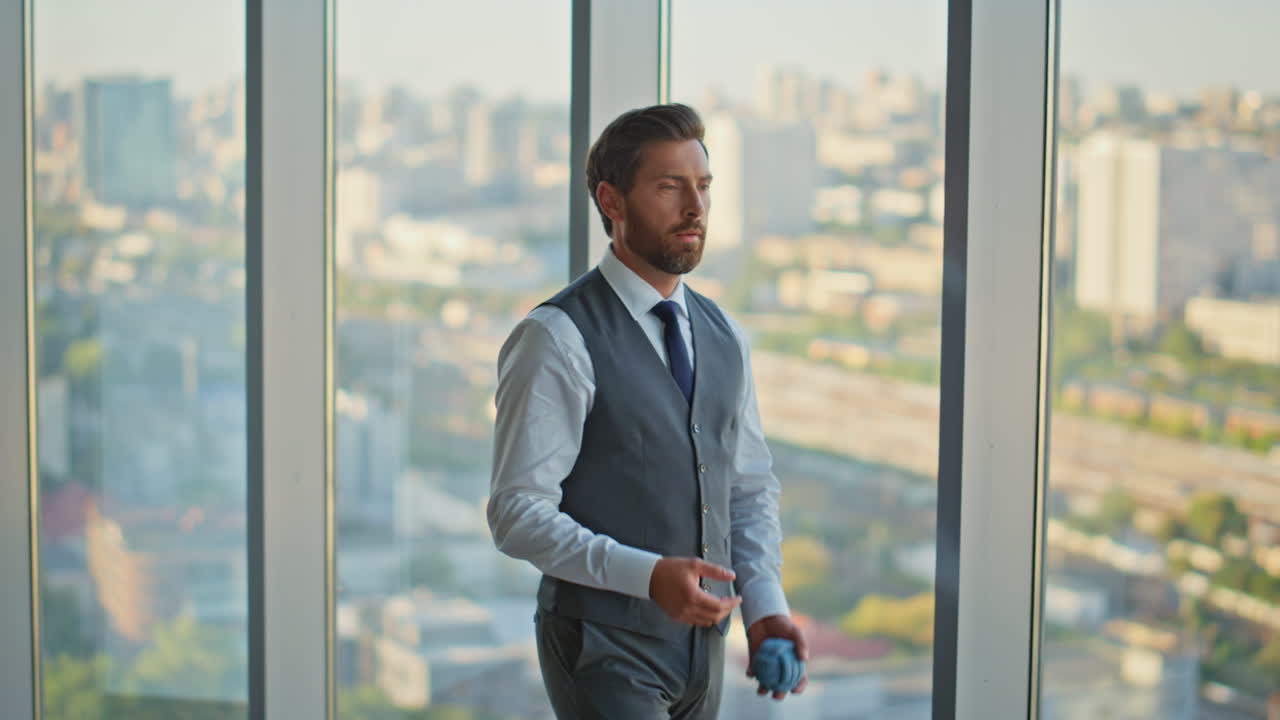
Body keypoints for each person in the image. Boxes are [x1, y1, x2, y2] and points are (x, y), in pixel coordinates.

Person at [488, 103, 807, 719]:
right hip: (602, 650)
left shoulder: (724, 333)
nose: (695, 208)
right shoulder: (556, 338)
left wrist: (766, 606)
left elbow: (746, 487)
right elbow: (516, 512)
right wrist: (647, 575)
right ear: (611, 200)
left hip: (703, 655)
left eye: (704, 186)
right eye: (669, 187)